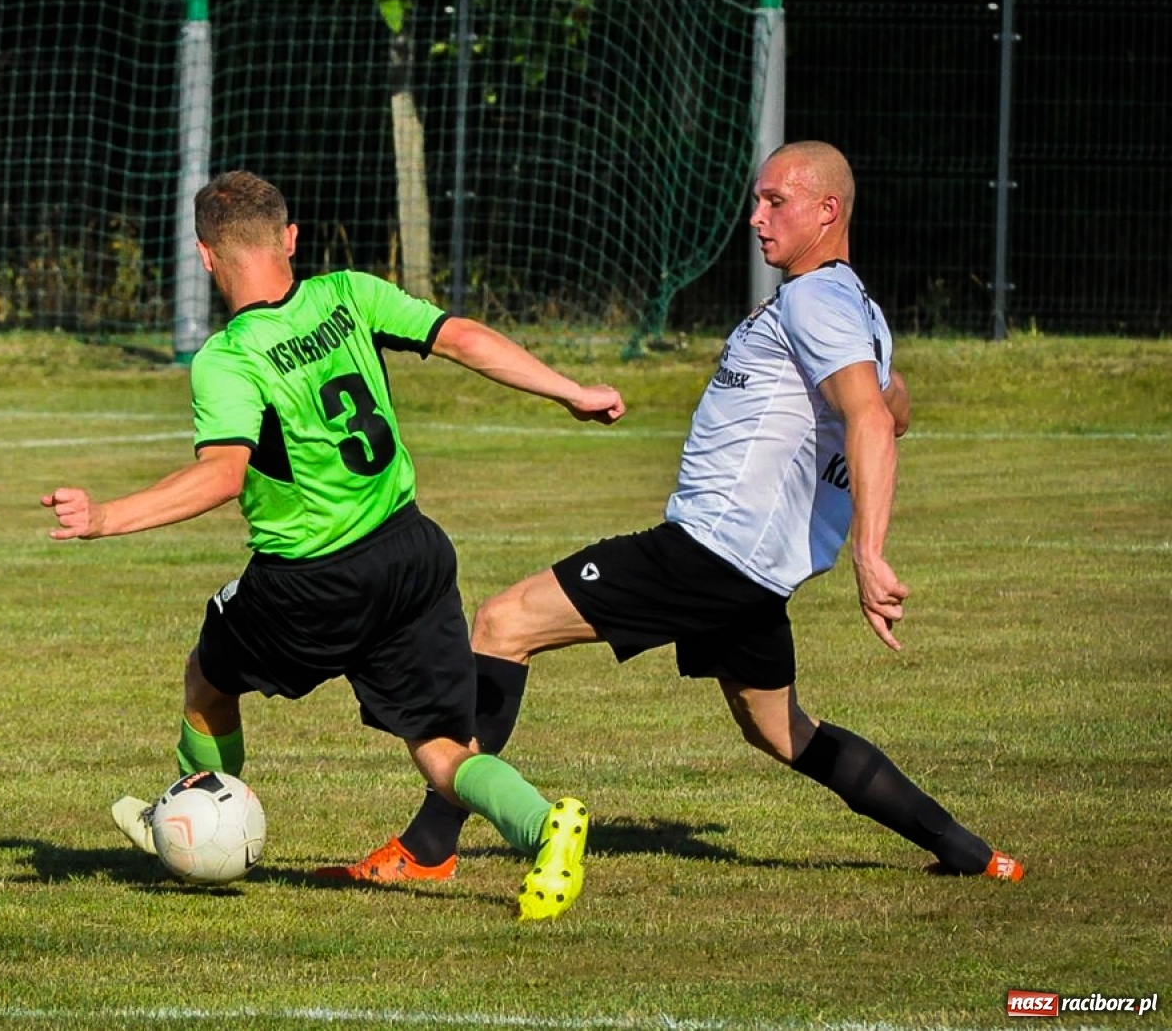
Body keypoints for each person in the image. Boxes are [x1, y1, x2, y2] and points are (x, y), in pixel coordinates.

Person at [323, 141, 1025, 885]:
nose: (755, 217)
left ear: (828, 211)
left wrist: (870, 551)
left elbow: (876, 419)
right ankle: (972, 853)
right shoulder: (856, 308)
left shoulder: (819, 298)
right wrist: (870, 406)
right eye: (756, 200)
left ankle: (430, 847)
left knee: (503, 622)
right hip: (751, 573)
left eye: (775, 201)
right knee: (782, 731)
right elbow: (895, 404)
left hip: (707, 552)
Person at [42, 170, 627, 920]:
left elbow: (222, 475)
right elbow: (461, 337)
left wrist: (104, 518)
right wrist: (570, 390)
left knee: (207, 677)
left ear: (204, 256)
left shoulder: (231, 355)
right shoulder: (348, 292)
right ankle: (543, 822)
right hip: (412, 552)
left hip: (310, 582)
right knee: (445, 749)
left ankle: (191, 813)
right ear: (289, 238)